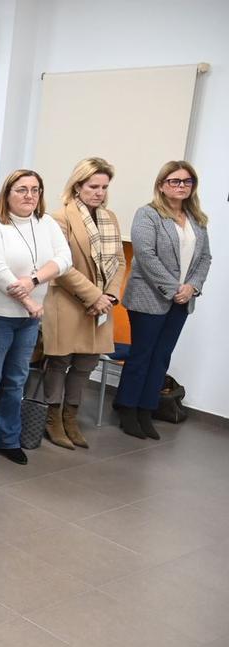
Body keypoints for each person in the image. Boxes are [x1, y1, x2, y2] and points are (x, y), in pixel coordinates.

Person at [0, 169, 72, 467]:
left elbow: (65, 259)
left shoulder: (46, 223)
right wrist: (29, 301)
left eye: (35, 190)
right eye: (22, 190)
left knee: (16, 380)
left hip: (29, 318)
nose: (29, 195)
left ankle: (8, 438)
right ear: (7, 193)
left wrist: (34, 280)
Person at [115, 161, 212, 439]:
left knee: (161, 357)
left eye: (187, 181)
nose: (181, 186)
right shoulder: (148, 214)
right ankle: (127, 409)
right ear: (161, 185)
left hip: (182, 300)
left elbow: (205, 258)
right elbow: (146, 256)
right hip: (149, 298)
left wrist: (192, 287)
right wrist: (174, 288)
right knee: (142, 355)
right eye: (174, 181)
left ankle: (147, 410)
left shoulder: (197, 219)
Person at [41, 158, 125, 450]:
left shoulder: (110, 218)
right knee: (60, 362)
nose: (99, 192)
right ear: (77, 186)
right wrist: (94, 296)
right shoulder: (59, 218)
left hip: (101, 305)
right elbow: (60, 266)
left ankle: (71, 417)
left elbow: (119, 261)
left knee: (86, 364)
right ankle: (52, 418)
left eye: (104, 187)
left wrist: (109, 296)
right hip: (68, 300)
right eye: (93, 186)